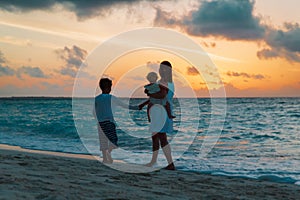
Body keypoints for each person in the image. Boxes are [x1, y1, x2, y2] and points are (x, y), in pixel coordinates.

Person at [94, 78, 138, 164]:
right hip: (109, 122)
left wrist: (98, 119)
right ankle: (108, 153)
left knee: (103, 141)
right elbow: (125, 105)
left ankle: (104, 158)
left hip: (100, 123)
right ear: (109, 87)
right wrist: (137, 107)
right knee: (113, 141)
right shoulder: (112, 98)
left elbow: (94, 112)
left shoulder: (97, 98)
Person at [145, 61, 176, 170]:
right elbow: (153, 97)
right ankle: (153, 161)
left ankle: (170, 163)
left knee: (162, 137)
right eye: (161, 68)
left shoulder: (168, 83)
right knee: (155, 137)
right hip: (157, 111)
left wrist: (150, 93)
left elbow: (162, 96)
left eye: (165, 69)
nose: (162, 71)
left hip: (163, 111)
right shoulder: (159, 82)